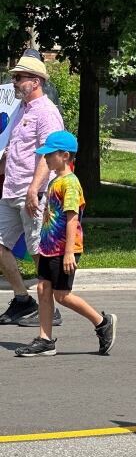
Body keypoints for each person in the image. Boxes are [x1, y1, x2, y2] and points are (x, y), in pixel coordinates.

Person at [14, 131, 117, 357]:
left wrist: (69, 252)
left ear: (65, 155)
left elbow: (72, 217)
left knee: (62, 295)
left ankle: (102, 322)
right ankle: (45, 339)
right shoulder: (55, 181)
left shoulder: (70, 183)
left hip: (64, 250)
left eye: (50, 154)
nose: (46, 158)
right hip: (49, 248)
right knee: (43, 288)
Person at [0, 54, 64, 326]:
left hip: (33, 193)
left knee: (39, 252)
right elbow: (12, 148)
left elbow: (48, 154)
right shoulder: (22, 110)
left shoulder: (46, 111)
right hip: (11, 189)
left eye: (19, 77)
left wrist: (34, 189)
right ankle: (23, 301)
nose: (14, 82)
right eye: (14, 77)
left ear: (35, 81)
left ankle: (51, 307)